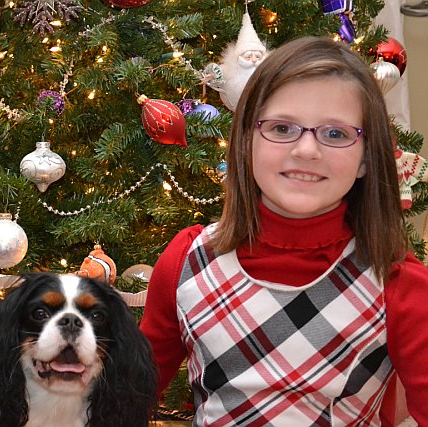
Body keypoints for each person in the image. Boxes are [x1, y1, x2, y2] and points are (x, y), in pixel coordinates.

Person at [140, 36, 428, 426]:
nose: (307, 150)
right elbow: (126, 402)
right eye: (281, 128)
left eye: (336, 134)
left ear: (366, 158)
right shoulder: (187, 260)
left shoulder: (397, 281)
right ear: (245, 142)